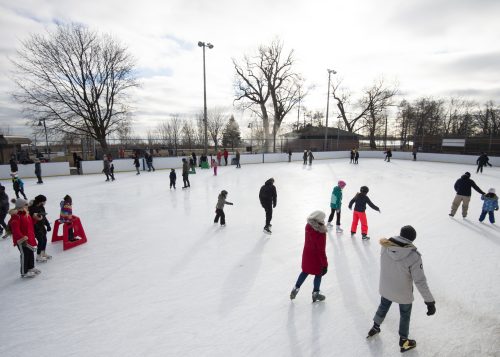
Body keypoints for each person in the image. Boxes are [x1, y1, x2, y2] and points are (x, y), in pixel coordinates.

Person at [366, 225, 436, 353]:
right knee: (405, 315)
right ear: (412, 240)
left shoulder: (385, 246)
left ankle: (375, 327)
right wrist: (429, 301)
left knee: (383, 306)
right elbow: (420, 281)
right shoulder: (413, 256)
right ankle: (404, 341)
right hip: (403, 293)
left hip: (386, 287)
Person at [290, 210, 328, 302]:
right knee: (318, 274)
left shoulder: (308, 226)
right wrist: (325, 264)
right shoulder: (321, 232)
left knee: (305, 272)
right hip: (316, 258)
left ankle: (296, 288)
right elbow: (321, 250)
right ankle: (316, 293)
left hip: (307, 255)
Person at [9, 198, 40, 278]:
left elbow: (30, 224)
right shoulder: (16, 216)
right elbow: (15, 230)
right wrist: (22, 238)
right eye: (26, 205)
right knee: (25, 255)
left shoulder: (26, 214)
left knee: (30, 253)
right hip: (22, 240)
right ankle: (24, 272)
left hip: (29, 237)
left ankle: (31, 268)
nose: (28, 206)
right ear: (21, 206)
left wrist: (35, 219)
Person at [29, 195, 52, 262]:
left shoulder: (41, 207)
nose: (45, 202)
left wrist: (47, 225)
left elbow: (44, 217)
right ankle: (38, 256)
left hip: (42, 226)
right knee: (41, 241)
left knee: (44, 239)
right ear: (41, 201)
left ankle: (43, 253)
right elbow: (32, 219)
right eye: (44, 201)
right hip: (35, 228)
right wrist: (36, 227)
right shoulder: (32, 208)